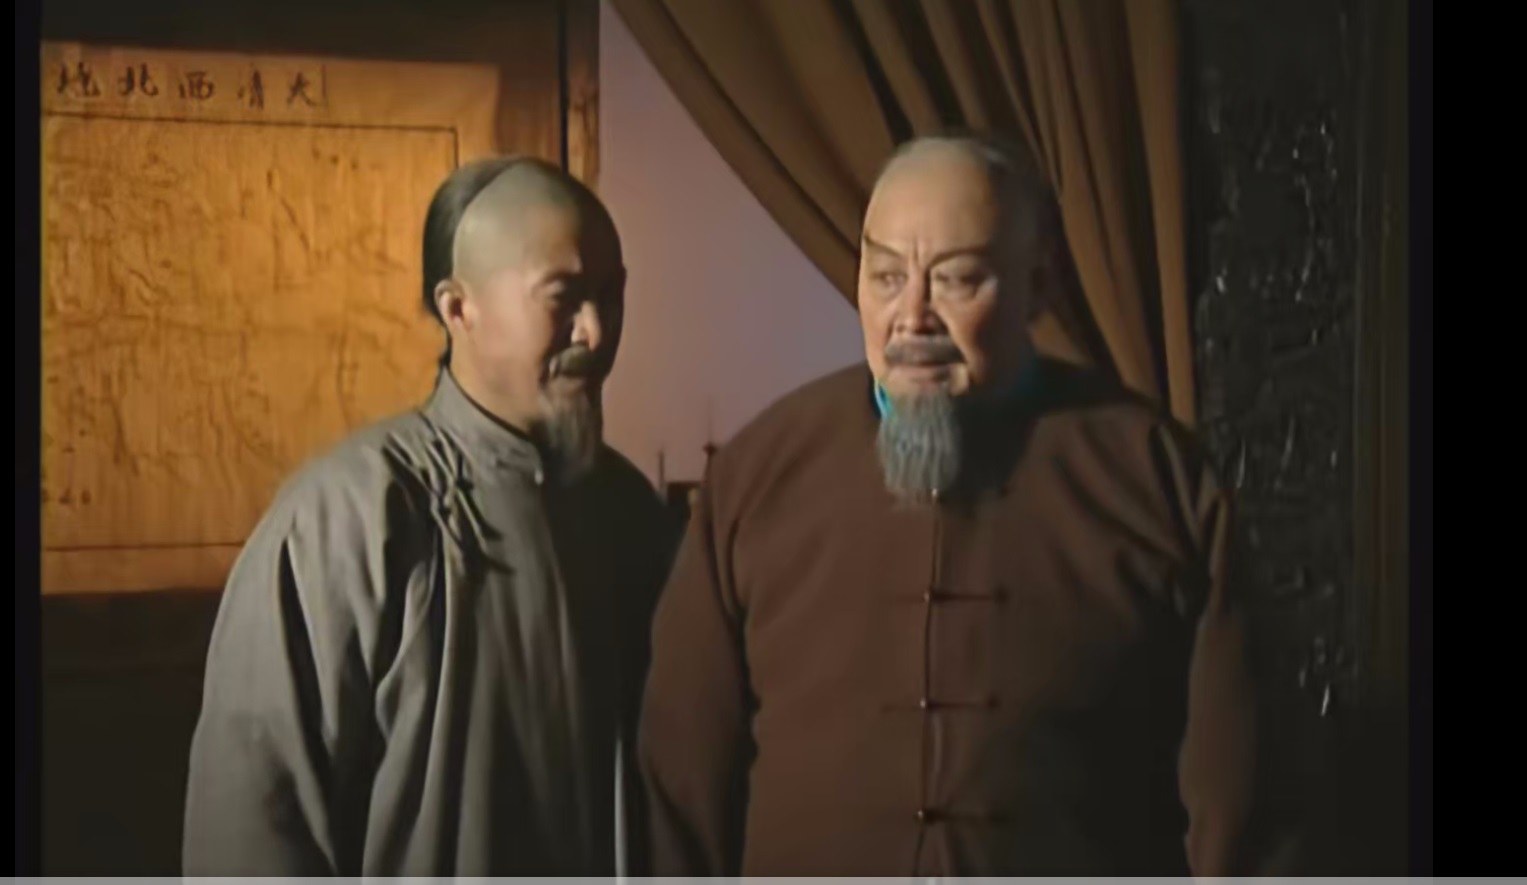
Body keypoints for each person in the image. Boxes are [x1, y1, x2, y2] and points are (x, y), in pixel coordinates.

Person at [637, 133, 1259, 876]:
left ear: (1038, 286)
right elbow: (681, 791)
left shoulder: (1152, 479)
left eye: (957, 280)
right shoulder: (757, 476)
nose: (912, 318)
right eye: (886, 277)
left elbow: (1242, 812)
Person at [183, 157, 672, 876]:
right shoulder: (350, 517)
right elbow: (254, 822)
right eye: (564, 297)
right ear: (458, 308)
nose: (595, 331)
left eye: (610, 295)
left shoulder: (630, 514)